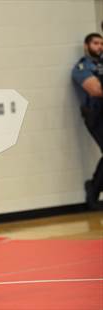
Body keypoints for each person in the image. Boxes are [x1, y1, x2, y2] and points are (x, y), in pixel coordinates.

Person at [72, 33, 103, 210]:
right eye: (95, 43)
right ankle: (93, 189)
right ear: (86, 45)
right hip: (95, 114)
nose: (99, 47)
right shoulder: (83, 67)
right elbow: (96, 90)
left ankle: (94, 185)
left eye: (101, 43)